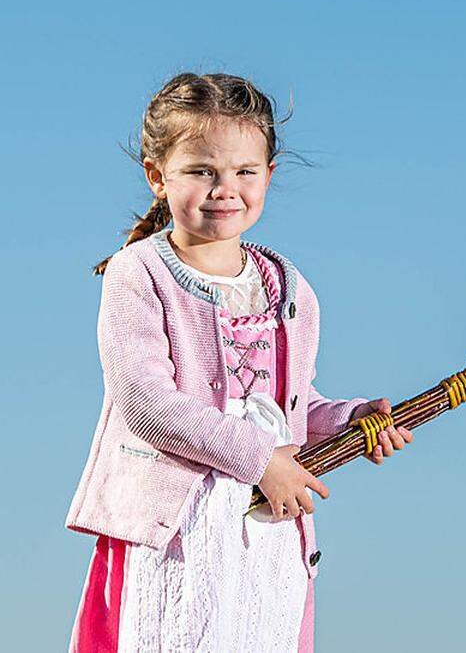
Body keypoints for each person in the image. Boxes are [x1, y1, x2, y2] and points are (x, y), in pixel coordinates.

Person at [65, 72, 412, 652]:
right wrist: (259, 461)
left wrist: (349, 419)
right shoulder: (139, 274)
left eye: (245, 172)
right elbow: (146, 406)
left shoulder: (287, 286)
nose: (225, 188)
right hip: (177, 530)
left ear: (268, 175)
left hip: (266, 527)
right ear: (158, 177)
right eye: (202, 171)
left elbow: (287, 407)